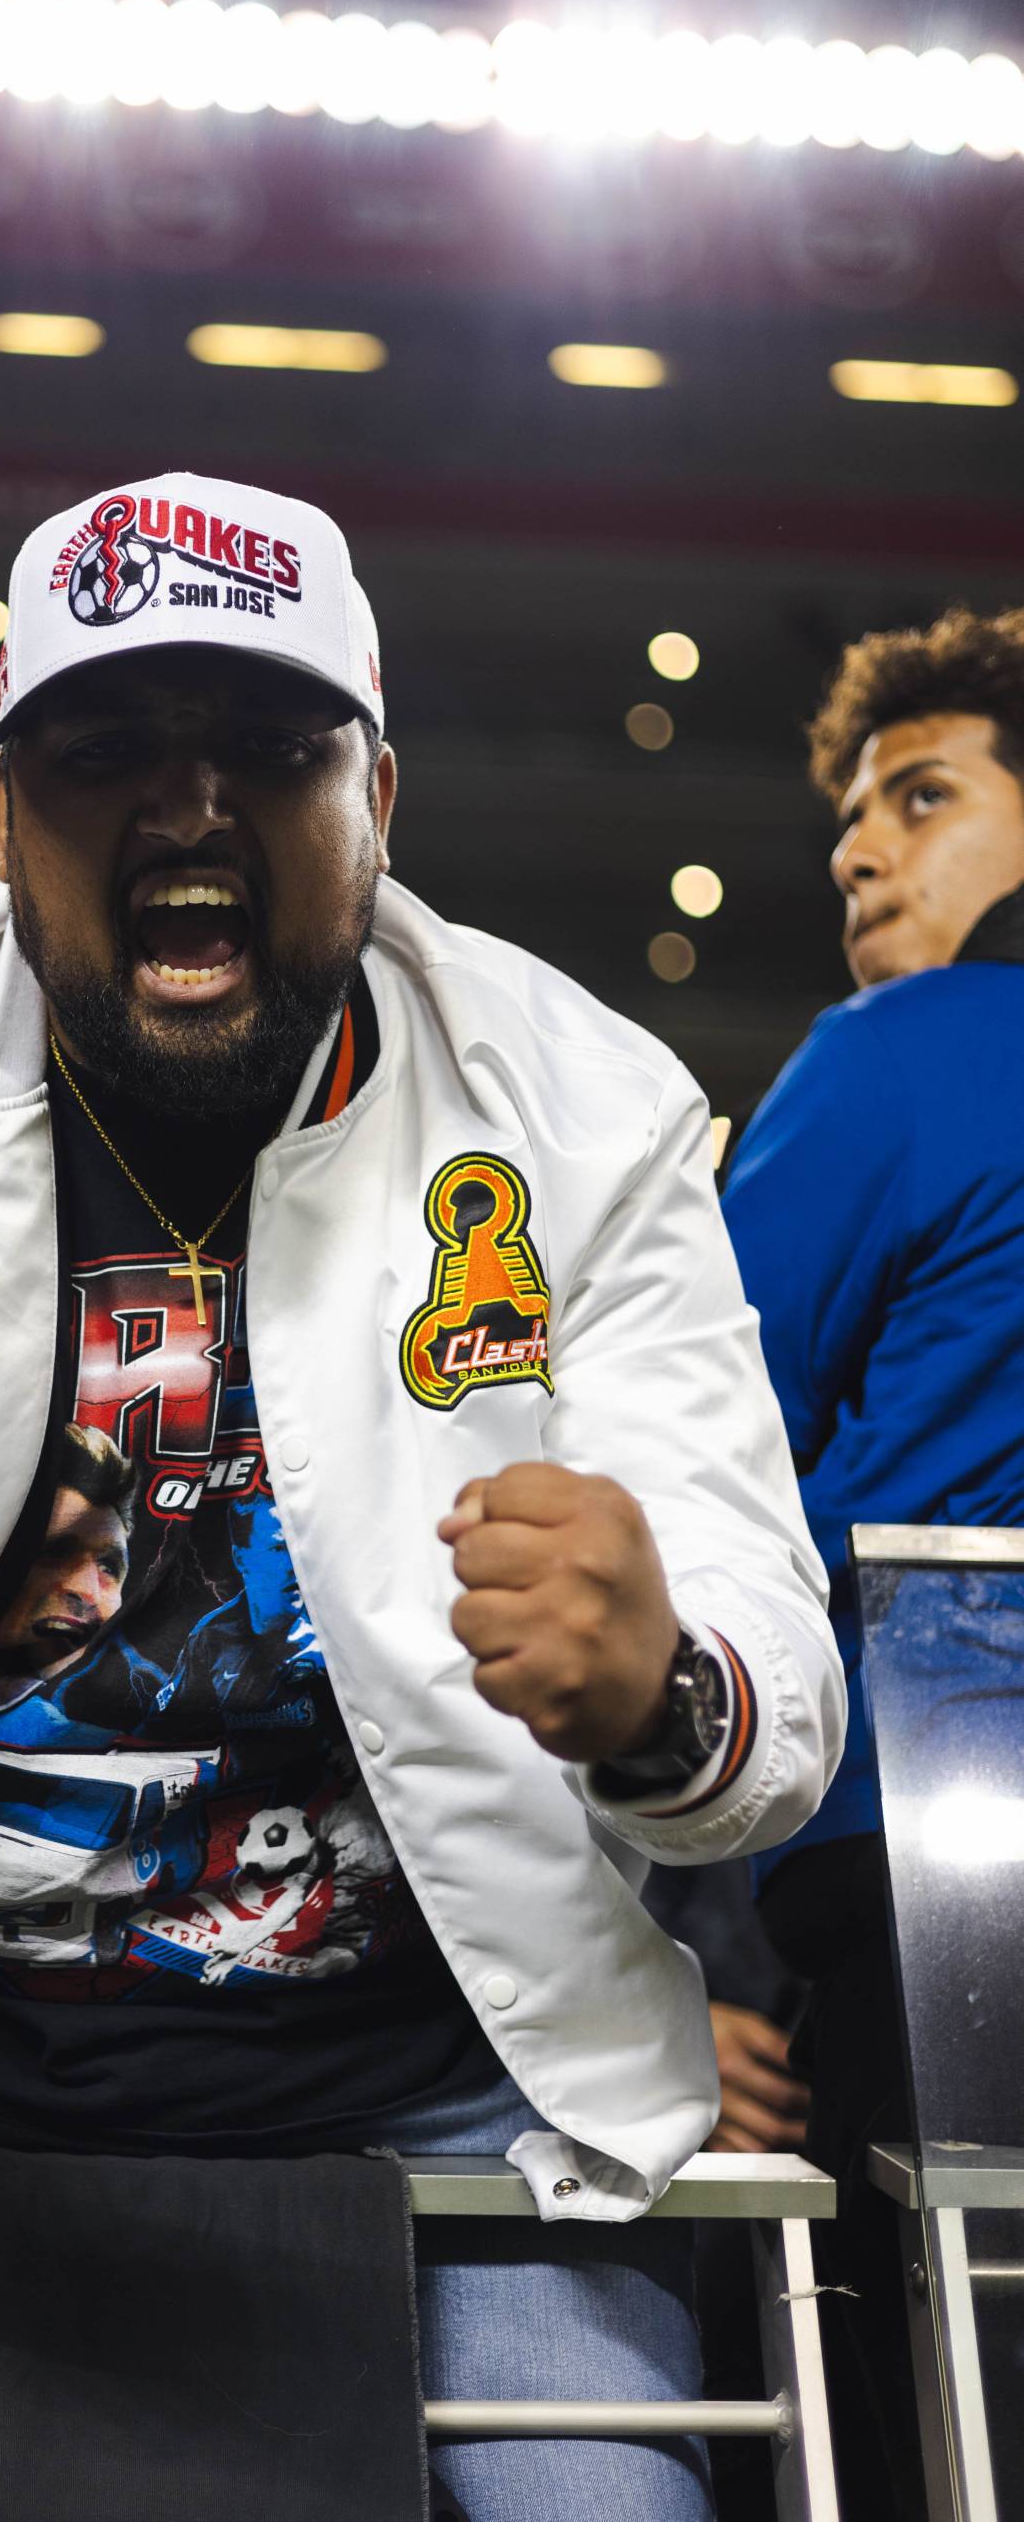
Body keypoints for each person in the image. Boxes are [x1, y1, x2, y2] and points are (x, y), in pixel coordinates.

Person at [0, 472, 843, 2520]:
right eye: (108, 746)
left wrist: (662, 1688)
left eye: (267, 747)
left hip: (442, 2103)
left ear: (376, 793)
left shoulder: (585, 1116)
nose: (189, 806)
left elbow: (773, 1699)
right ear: (1, 805)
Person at [720, 603, 1024, 2520]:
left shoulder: (898, 1052)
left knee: (930, 2404)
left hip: (908, 1859)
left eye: (920, 797)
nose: (855, 850)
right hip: (904, 1853)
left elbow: (699, 1464)